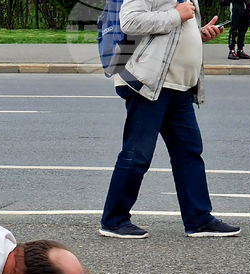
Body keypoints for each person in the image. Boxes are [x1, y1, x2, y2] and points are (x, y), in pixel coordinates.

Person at [100, 0, 241, 239]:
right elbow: (130, 22)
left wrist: (198, 34)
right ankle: (113, 220)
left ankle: (198, 219)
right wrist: (177, 15)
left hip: (178, 85)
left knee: (189, 153)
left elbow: (167, 36)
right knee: (138, 154)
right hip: (148, 82)